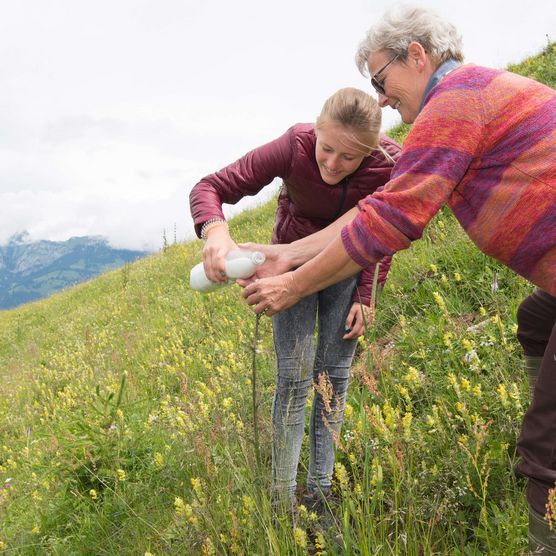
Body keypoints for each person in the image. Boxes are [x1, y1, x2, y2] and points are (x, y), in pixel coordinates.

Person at [240, 6, 556, 550]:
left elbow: (386, 223)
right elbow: (379, 207)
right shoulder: (466, 96)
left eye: (381, 80)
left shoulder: (454, 102)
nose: (381, 98)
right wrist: (285, 253)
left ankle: (545, 518)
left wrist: (292, 284)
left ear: (417, 55)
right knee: (536, 318)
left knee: (547, 436)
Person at [189, 87, 401, 512]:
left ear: (370, 150)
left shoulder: (390, 165)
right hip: (282, 269)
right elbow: (210, 186)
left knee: (334, 379)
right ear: (317, 131)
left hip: (346, 268)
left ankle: (320, 492)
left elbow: (387, 228)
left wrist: (366, 293)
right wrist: (215, 231)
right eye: (327, 149)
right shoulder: (294, 145)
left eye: (349, 157)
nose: (333, 164)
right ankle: (281, 500)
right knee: (293, 380)